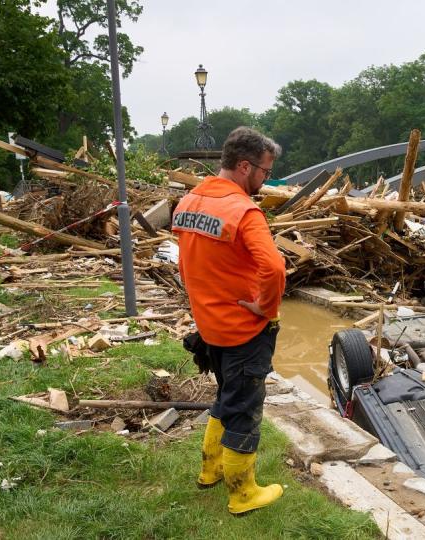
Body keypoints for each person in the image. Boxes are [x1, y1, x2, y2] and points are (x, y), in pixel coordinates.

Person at [173, 126, 287, 515]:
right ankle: (243, 494)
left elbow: (184, 265)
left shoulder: (189, 201)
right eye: (264, 173)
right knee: (244, 409)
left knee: (225, 396)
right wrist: (266, 308)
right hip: (243, 330)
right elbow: (274, 268)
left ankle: (210, 471)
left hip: (210, 327)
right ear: (244, 166)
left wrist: (201, 302)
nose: (264, 181)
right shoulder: (244, 210)